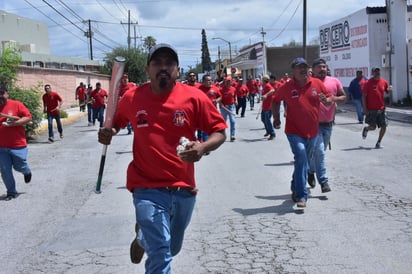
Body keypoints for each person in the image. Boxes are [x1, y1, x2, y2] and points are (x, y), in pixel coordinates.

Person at [98, 43, 227, 273]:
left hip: (183, 188)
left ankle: (142, 239)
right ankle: (148, 238)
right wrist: (109, 132)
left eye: (169, 63)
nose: (163, 67)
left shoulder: (194, 98)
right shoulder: (133, 97)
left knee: (171, 247)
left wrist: (202, 147)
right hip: (146, 187)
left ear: (178, 69)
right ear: (148, 69)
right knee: (161, 254)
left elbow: (220, 131)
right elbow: (116, 122)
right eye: (157, 63)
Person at [272, 57, 332, 208]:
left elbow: (329, 98)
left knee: (302, 161)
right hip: (294, 131)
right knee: (301, 156)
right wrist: (276, 118)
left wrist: (327, 100)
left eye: (305, 66)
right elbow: (275, 100)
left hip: (312, 132)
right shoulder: (287, 87)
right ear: (294, 70)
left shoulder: (317, 83)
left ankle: (295, 184)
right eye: (300, 67)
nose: (304, 69)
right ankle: (301, 195)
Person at [307, 58, 346, 192]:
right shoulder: (308, 83)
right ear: (313, 69)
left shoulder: (334, 81)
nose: (322, 69)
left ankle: (311, 171)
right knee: (319, 152)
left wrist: (332, 99)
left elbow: (343, 97)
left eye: (324, 66)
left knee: (318, 152)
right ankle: (324, 181)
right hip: (314, 125)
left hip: (328, 124)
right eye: (319, 67)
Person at [0, 85, 33, 201]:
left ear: (7, 93)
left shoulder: (16, 104)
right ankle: (11, 192)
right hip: (1, 147)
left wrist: (14, 124)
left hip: (17, 144)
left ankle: (26, 171)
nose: (0, 96)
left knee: (19, 166)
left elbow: (28, 117)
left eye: (2, 93)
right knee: (5, 170)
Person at [362, 67, 392, 149]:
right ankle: (366, 129)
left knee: (384, 126)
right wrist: (365, 108)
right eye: (375, 72)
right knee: (373, 127)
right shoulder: (368, 83)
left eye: (378, 71)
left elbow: (387, 92)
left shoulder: (384, 82)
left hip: (381, 109)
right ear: (372, 73)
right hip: (371, 109)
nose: (377, 73)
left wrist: (389, 90)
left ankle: (378, 142)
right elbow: (364, 96)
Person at [198, 74, 222, 142]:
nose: (210, 82)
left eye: (211, 80)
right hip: (203, 112)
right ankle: (206, 144)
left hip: (213, 112)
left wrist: (217, 100)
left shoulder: (215, 88)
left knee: (213, 128)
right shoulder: (199, 89)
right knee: (205, 128)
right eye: (208, 80)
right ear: (203, 81)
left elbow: (220, 97)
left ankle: (208, 141)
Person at [219, 76, 237, 141]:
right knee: (223, 121)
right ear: (225, 82)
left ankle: (232, 135)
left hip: (231, 106)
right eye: (227, 81)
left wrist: (236, 101)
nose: (228, 83)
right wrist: (221, 104)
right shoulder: (221, 89)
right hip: (224, 107)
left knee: (233, 121)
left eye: (229, 81)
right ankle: (222, 135)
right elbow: (219, 98)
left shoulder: (233, 89)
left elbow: (235, 96)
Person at [260, 75, 276, 140]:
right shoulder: (264, 86)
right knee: (263, 119)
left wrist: (266, 95)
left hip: (269, 107)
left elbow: (273, 90)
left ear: (264, 80)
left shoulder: (268, 85)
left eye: (262, 80)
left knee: (267, 120)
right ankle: (268, 131)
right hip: (264, 106)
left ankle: (272, 133)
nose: (261, 81)